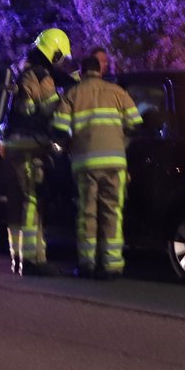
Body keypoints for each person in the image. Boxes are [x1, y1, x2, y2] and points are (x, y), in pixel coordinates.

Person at [53, 51, 142, 279]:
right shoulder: (118, 92)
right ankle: (112, 265)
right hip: (115, 163)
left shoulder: (73, 94)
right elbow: (136, 123)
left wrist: (70, 144)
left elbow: (59, 130)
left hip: (86, 164)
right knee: (113, 213)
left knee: (87, 214)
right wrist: (121, 141)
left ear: (82, 72)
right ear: (100, 71)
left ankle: (87, 264)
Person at [2, 27, 71, 276]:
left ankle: (16, 256)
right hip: (31, 144)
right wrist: (68, 100)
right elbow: (52, 111)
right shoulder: (43, 76)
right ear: (54, 53)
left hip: (11, 144)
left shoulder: (19, 69)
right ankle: (31, 260)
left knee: (16, 202)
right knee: (33, 200)